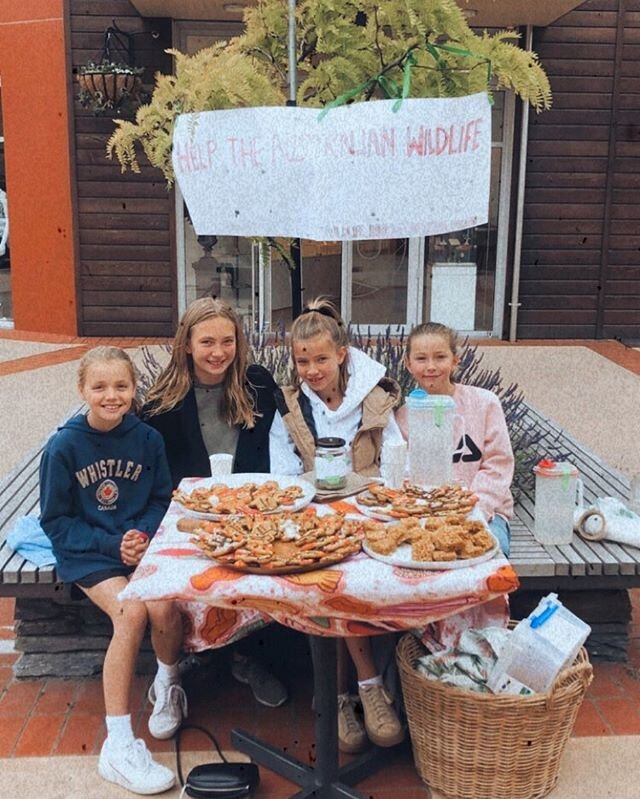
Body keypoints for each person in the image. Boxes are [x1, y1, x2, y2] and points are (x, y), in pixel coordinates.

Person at [39, 346, 186, 796]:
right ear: (82, 389)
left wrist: (142, 533)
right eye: (99, 386)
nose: (111, 395)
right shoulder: (64, 446)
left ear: (133, 388)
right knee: (131, 612)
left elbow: (162, 498)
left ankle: (168, 684)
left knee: (163, 607)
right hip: (89, 550)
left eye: (121, 385)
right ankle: (118, 744)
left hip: (135, 545)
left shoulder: (147, 440)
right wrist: (110, 543)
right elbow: (55, 521)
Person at [269, 297, 405, 754]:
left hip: (369, 514)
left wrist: (363, 494)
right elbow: (281, 474)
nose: (311, 369)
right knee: (328, 578)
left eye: (321, 358)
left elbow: (395, 462)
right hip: (311, 517)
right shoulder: (290, 406)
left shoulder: (374, 397)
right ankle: (359, 691)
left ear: (342, 354)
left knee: (355, 577)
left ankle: (347, 693)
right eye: (302, 360)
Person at [142, 296, 287, 708]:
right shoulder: (163, 402)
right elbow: (155, 470)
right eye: (207, 342)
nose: (219, 352)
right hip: (190, 518)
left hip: (254, 513)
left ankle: (248, 657)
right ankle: (178, 669)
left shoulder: (257, 384)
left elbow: (286, 444)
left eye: (228, 341)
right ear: (186, 344)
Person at [396, 321, 514, 555]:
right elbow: (404, 473)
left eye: (440, 357)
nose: (431, 366)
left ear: (455, 360)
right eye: (421, 358)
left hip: (485, 513)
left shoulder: (484, 403)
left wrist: (473, 509)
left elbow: (497, 464)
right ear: (408, 364)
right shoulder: (404, 416)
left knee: (487, 555)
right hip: (425, 516)